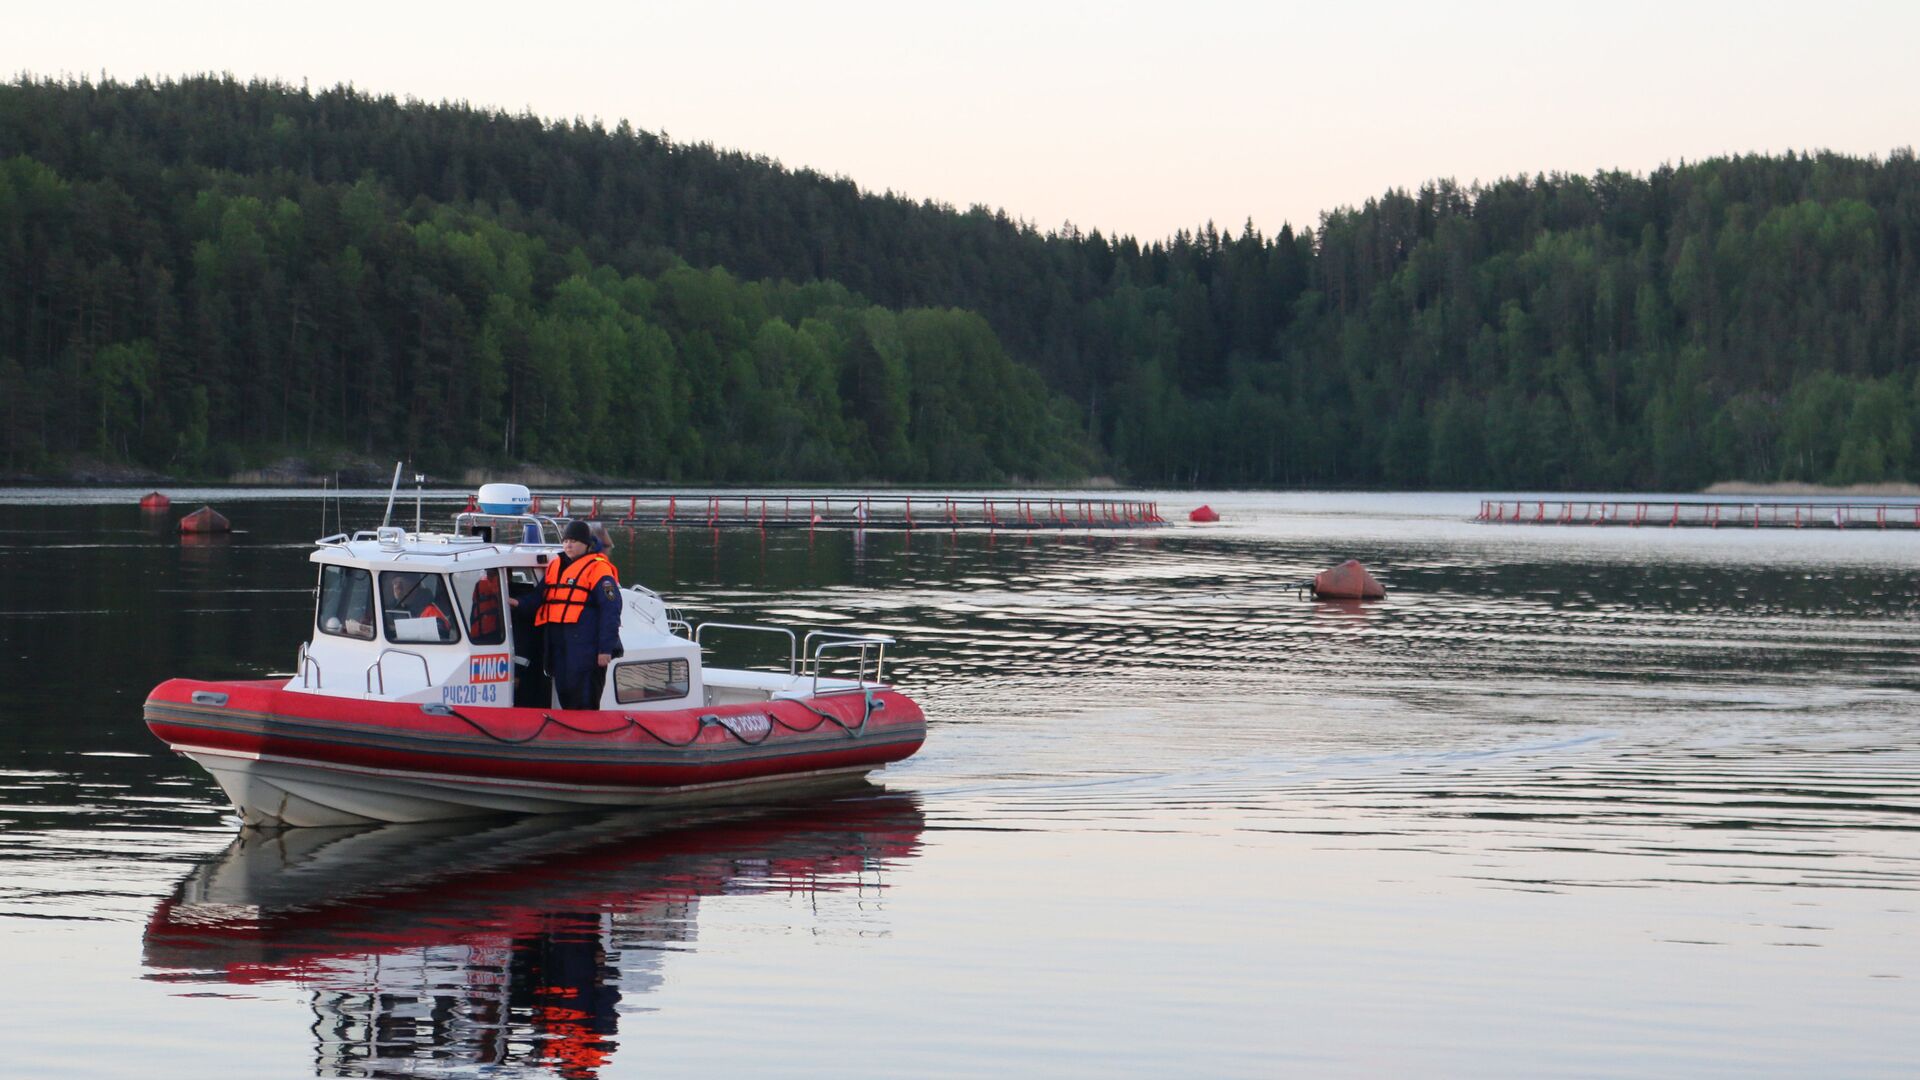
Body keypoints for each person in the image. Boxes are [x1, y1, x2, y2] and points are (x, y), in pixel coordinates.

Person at [514, 520, 621, 709]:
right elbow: (540, 596)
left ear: (586, 544)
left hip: (585, 643)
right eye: (565, 541)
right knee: (564, 689)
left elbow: (611, 609)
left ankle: (586, 731)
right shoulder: (556, 565)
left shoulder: (598, 569)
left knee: (585, 694)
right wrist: (517, 603)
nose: (568, 545)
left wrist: (605, 649)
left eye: (574, 541)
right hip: (559, 641)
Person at [381, 571, 455, 641]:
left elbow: (440, 635)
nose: (397, 587)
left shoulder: (431, 611)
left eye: (401, 582)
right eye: (395, 583)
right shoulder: (391, 609)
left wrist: (397, 629)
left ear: (415, 586)